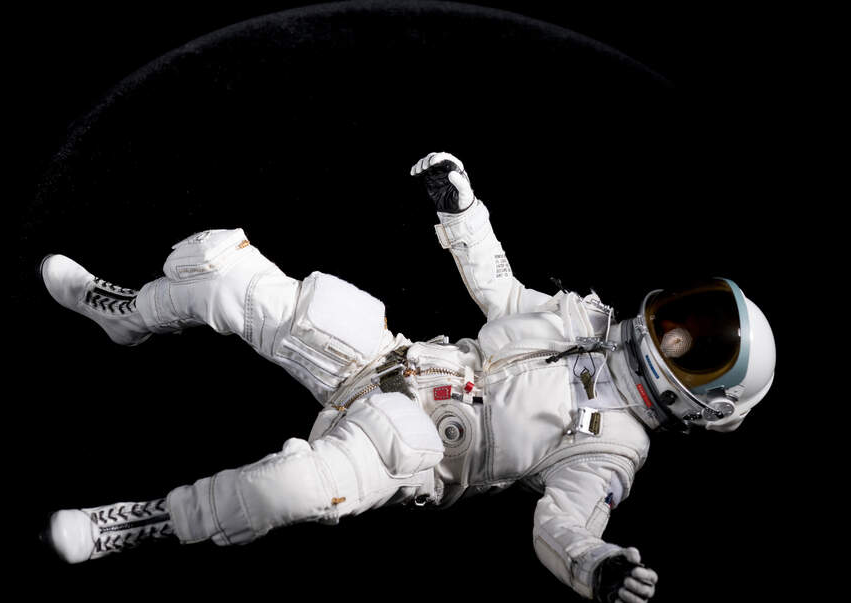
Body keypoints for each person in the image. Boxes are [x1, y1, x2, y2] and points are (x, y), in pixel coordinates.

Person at [39, 152, 776, 603]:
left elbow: (563, 525)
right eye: (690, 317)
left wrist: (594, 564)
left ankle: (147, 521)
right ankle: (126, 314)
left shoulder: (612, 449)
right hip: (395, 360)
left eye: (699, 348)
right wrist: (465, 212)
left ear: (703, 402)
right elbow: (502, 293)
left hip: (413, 444)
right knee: (229, 275)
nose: (675, 333)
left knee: (289, 489)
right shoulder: (586, 318)